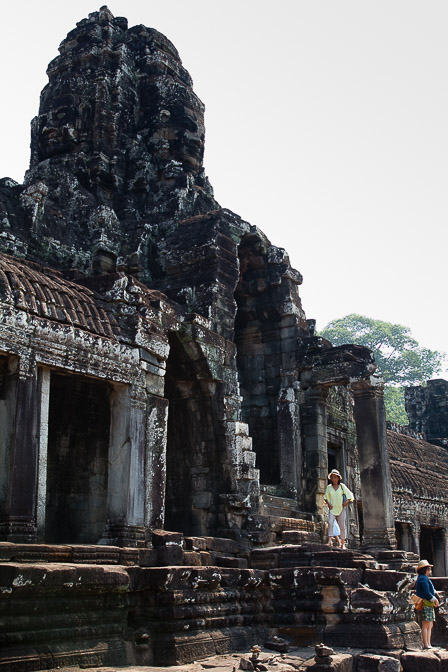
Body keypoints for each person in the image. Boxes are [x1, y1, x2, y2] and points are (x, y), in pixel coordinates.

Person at [324, 469, 354, 549]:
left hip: (341, 509)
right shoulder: (329, 487)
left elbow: (350, 495)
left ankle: (343, 543)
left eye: (335, 477)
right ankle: (330, 541)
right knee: (330, 523)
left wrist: (346, 502)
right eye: (332, 477)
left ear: (338, 478)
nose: (333, 479)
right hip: (332, 508)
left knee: (342, 526)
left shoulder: (342, 486)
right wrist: (328, 503)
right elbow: (325, 497)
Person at [415, 559, 439, 649]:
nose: (430, 571)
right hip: (426, 603)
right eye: (428, 569)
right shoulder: (423, 579)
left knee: (430, 624)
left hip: (428, 604)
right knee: (425, 624)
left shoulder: (423, 578)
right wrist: (435, 599)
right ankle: (425, 644)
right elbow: (426, 593)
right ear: (424, 570)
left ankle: (428, 643)